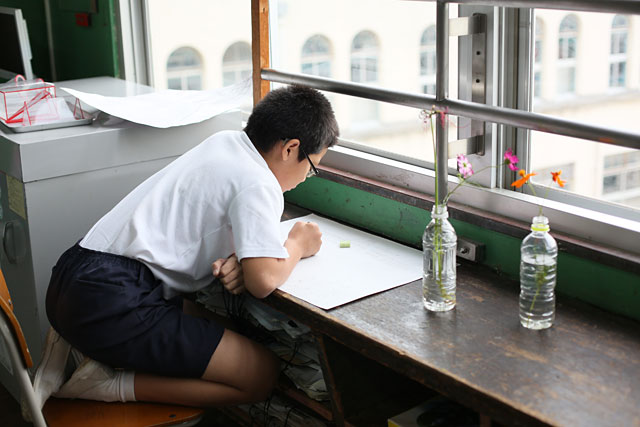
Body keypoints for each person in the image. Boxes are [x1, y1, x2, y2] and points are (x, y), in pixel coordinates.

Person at [37, 85, 340, 409]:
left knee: (225, 331)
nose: (305, 178)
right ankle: (108, 384)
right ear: (291, 149)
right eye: (311, 168)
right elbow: (263, 281)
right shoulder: (260, 183)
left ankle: (77, 349)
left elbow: (209, 223)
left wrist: (244, 259)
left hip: (72, 277)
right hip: (111, 299)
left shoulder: (225, 142)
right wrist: (297, 244)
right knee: (260, 375)